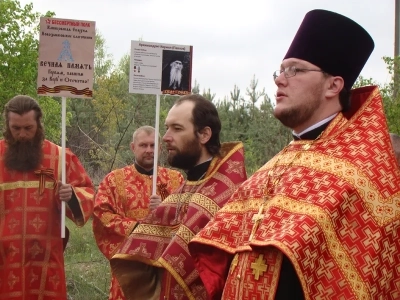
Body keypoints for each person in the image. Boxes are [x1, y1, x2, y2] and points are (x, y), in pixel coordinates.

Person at [189, 9, 400, 299]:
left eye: (296, 70)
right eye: (281, 70)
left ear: (334, 85)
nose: (280, 80)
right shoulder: (272, 168)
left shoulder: (361, 173)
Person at [110, 94, 247, 299]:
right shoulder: (187, 186)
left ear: (204, 135)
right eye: (167, 127)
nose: (165, 137)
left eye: (177, 128)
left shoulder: (229, 192)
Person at [0, 95, 95, 299]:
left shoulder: (60, 157)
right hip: (4, 256)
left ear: (38, 124)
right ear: (7, 126)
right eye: (16, 129)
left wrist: (70, 195)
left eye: (28, 128)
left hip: (46, 256)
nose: (22, 135)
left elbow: (87, 192)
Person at [92, 125, 184, 300]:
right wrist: (137, 228)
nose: (149, 150)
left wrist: (165, 208)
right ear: (133, 147)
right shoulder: (114, 180)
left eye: (152, 145)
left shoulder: (175, 179)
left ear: (160, 148)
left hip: (165, 266)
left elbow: (187, 217)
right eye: (143, 145)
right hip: (130, 267)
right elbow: (101, 215)